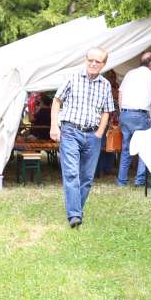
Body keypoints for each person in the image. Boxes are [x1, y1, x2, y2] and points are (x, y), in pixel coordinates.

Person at [50, 46, 114, 228]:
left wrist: (100, 133)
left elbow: (107, 111)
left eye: (98, 61)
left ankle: (76, 209)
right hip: (70, 131)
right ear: (85, 60)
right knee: (71, 173)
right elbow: (57, 101)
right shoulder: (72, 78)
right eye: (90, 60)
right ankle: (75, 215)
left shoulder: (105, 85)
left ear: (103, 64)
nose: (93, 64)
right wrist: (54, 125)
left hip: (92, 134)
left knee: (86, 178)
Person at [117, 51, 151, 188]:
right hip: (140, 115)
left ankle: (121, 180)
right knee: (144, 148)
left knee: (126, 149)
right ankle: (140, 180)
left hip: (125, 114)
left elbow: (120, 93)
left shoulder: (130, 73)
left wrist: (122, 111)